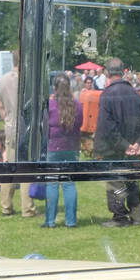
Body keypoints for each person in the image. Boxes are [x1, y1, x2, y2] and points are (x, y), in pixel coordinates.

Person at [93, 57, 140, 228]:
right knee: (132, 181)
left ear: (107, 73)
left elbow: (107, 127)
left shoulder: (107, 95)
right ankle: (137, 215)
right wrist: (138, 143)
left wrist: (126, 146)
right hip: (133, 148)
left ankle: (119, 217)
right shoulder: (136, 94)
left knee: (116, 182)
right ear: (123, 71)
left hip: (115, 149)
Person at [42, 75, 83, 228]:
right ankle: (71, 221)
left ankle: (50, 221)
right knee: (69, 184)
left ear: (54, 88)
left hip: (53, 147)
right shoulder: (77, 105)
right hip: (72, 148)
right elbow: (80, 124)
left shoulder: (50, 105)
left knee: (52, 184)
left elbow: (44, 126)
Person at [0, 52, 32, 217]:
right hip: (27, 127)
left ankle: (6, 206)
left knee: (9, 167)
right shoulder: (29, 80)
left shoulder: (2, 80)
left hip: (10, 127)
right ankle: (27, 208)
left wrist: (8, 120)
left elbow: (0, 106)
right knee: (26, 169)